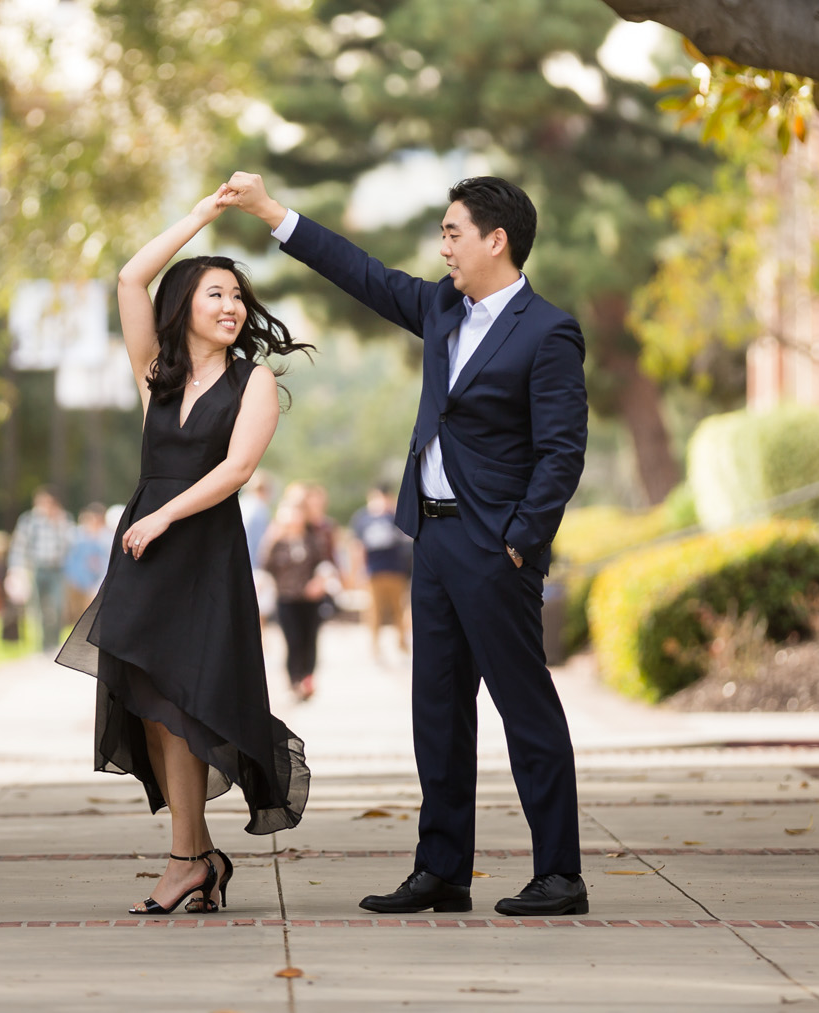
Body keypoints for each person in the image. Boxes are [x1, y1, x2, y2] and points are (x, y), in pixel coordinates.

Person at [226, 170, 590, 918]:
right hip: (431, 538)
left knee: (526, 712)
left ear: (498, 239)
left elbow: (562, 452)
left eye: (454, 231)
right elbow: (358, 271)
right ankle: (441, 870)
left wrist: (521, 540)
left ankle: (560, 873)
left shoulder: (548, 331)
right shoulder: (440, 308)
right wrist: (272, 213)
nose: (444, 245)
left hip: (496, 549)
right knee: (437, 710)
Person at [57, 186, 312, 917]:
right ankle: (195, 857)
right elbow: (130, 277)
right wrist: (201, 218)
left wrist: (164, 513)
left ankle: (186, 860)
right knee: (151, 704)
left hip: (201, 550)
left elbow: (234, 473)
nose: (232, 306)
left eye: (237, 294)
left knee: (189, 706)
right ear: (186, 305)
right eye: (214, 292)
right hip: (147, 551)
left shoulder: (254, 380)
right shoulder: (157, 375)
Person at [260, 483, 337, 701]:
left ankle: (308, 679)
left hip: (310, 599)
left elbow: (325, 563)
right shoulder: (276, 542)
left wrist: (319, 582)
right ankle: (294, 681)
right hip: (286, 599)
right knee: (293, 640)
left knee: (310, 640)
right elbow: (265, 568)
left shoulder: (313, 539)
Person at [7, 487, 73, 651]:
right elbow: (19, 546)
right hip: (37, 567)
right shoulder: (29, 520)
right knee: (38, 608)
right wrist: (16, 569)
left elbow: (71, 544)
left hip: (57, 569)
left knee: (57, 607)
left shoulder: (64, 520)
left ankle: (55, 641)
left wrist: (58, 523)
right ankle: (43, 645)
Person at [351, 485, 412, 658]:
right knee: (373, 610)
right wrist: (358, 570)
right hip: (374, 570)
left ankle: (402, 642)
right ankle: (374, 645)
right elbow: (358, 546)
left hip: (397, 570)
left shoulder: (395, 515)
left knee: (398, 609)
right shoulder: (363, 518)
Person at [62, 504, 110, 625]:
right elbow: (71, 559)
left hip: (97, 582)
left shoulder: (107, 537)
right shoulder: (78, 535)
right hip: (77, 581)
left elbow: (105, 563)